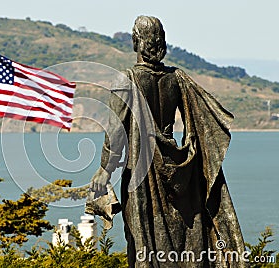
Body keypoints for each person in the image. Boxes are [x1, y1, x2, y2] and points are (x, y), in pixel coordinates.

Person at [86, 16, 249, 267]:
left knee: (144, 242)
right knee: (184, 236)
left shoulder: (125, 80)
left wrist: (104, 170)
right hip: (179, 170)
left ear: (135, 42)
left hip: (143, 171)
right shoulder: (177, 78)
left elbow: (116, 133)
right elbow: (203, 120)